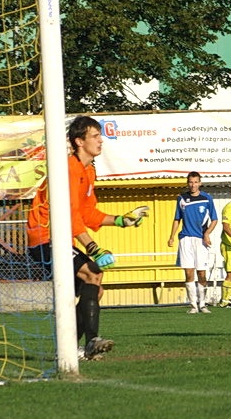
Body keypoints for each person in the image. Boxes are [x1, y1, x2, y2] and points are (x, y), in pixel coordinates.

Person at [26, 116, 149, 360]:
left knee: (96, 288)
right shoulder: (68, 169)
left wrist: (120, 220)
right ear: (79, 141)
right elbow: (69, 215)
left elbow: (88, 213)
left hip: (63, 238)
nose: (101, 141)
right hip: (44, 238)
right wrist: (94, 248)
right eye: (95, 136)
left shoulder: (88, 170)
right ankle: (90, 342)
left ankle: (70, 349)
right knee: (93, 273)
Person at [168, 171, 218, 314]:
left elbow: (214, 219)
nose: (193, 185)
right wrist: (171, 236)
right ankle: (193, 305)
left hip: (200, 240)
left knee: (201, 273)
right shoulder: (182, 199)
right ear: (187, 183)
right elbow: (177, 219)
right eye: (191, 182)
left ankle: (203, 303)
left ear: (200, 183)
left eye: (196, 182)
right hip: (185, 239)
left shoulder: (207, 198)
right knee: (189, 272)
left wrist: (207, 234)